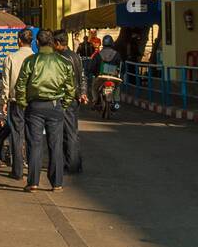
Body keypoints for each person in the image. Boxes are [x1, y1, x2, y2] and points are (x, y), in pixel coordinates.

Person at [15, 29, 77, 193]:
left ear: (37, 42)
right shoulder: (63, 62)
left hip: (34, 106)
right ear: (51, 42)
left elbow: (20, 86)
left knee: (35, 144)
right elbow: (71, 88)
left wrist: (23, 104)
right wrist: (63, 105)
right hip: (55, 106)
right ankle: (57, 183)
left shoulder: (31, 61)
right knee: (55, 145)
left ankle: (33, 182)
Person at [0, 28, 34, 180]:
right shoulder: (36, 57)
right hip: (33, 102)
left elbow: (6, 83)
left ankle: (17, 170)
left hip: (15, 102)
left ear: (19, 40)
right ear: (31, 41)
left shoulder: (11, 57)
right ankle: (32, 169)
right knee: (33, 135)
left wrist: (4, 101)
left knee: (17, 135)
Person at [53, 31, 87, 174]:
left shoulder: (60, 59)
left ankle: (71, 164)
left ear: (58, 43)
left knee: (67, 133)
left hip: (65, 99)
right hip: (74, 99)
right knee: (72, 131)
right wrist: (83, 93)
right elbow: (82, 77)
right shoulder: (75, 56)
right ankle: (75, 163)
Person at [95, 33, 122, 110]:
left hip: (101, 77)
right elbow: (121, 65)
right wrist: (121, 73)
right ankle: (116, 102)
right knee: (117, 87)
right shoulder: (117, 54)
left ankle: (96, 101)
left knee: (94, 87)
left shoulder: (98, 54)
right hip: (114, 77)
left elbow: (93, 66)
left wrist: (93, 72)